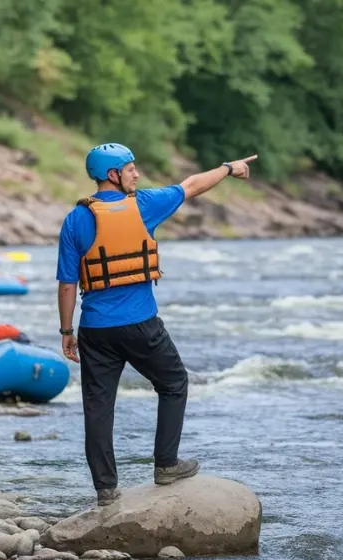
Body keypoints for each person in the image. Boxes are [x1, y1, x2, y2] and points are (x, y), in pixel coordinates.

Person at [56, 143, 257, 506]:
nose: (137, 174)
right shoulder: (144, 205)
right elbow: (192, 185)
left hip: (95, 330)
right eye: (131, 168)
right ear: (113, 175)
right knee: (175, 382)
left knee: (98, 407)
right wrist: (229, 167)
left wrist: (67, 332)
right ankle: (166, 465)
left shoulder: (75, 219)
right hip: (140, 325)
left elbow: (68, 283)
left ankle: (105, 489)